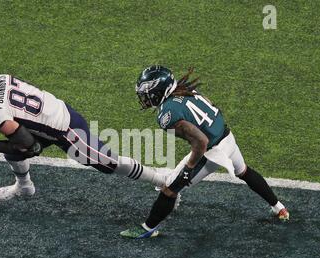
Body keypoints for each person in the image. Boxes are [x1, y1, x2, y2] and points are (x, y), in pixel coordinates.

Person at [121, 65, 290, 239]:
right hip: (226, 136)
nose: (144, 97)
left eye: (147, 93)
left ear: (160, 90)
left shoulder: (167, 114)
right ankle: (279, 207)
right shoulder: (187, 91)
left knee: (169, 190)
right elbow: (213, 107)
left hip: (213, 152)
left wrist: (189, 168)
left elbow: (201, 141)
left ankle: (148, 228)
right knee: (244, 171)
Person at [0, 69, 166, 200]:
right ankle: (24, 187)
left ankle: (163, 181)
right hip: (54, 111)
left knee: (109, 164)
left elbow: (32, 147)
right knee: (14, 151)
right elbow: (11, 108)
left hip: (65, 130)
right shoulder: (1, 79)